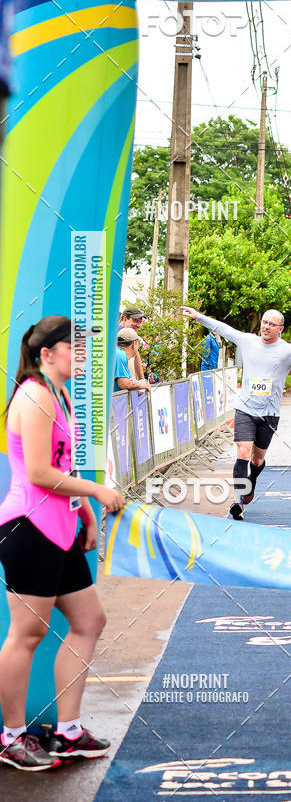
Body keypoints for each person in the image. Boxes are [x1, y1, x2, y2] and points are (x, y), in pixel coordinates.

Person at [0, 316, 125, 770]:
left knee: (89, 620)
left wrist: (85, 514)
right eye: (75, 347)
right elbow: (38, 473)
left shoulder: (61, 394)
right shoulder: (35, 395)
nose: (83, 354)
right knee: (27, 634)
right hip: (28, 529)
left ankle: (67, 732)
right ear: (46, 354)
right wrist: (97, 492)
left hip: (59, 527)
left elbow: (64, 466)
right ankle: (12, 738)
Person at [181, 306, 291, 520]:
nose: (266, 326)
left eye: (272, 324)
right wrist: (198, 316)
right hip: (245, 408)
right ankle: (238, 501)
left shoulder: (287, 351)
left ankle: (252, 480)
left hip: (269, 414)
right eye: (264, 322)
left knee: (257, 460)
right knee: (243, 451)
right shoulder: (248, 341)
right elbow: (223, 328)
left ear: (280, 329)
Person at [114, 328, 151, 392]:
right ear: (134, 344)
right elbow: (124, 384)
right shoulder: (119, 355)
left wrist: (134, 383)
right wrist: (141, 384)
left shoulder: (118, 353)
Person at [119, 306, 145, 380]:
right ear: (125, 319)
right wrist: (134, 381)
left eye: (140, 322)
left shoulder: (130, 333)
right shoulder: (121, 335)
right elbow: (128, 358)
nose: (138, 325)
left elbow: (136, 354)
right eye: (135, 321)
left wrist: (142, 379)